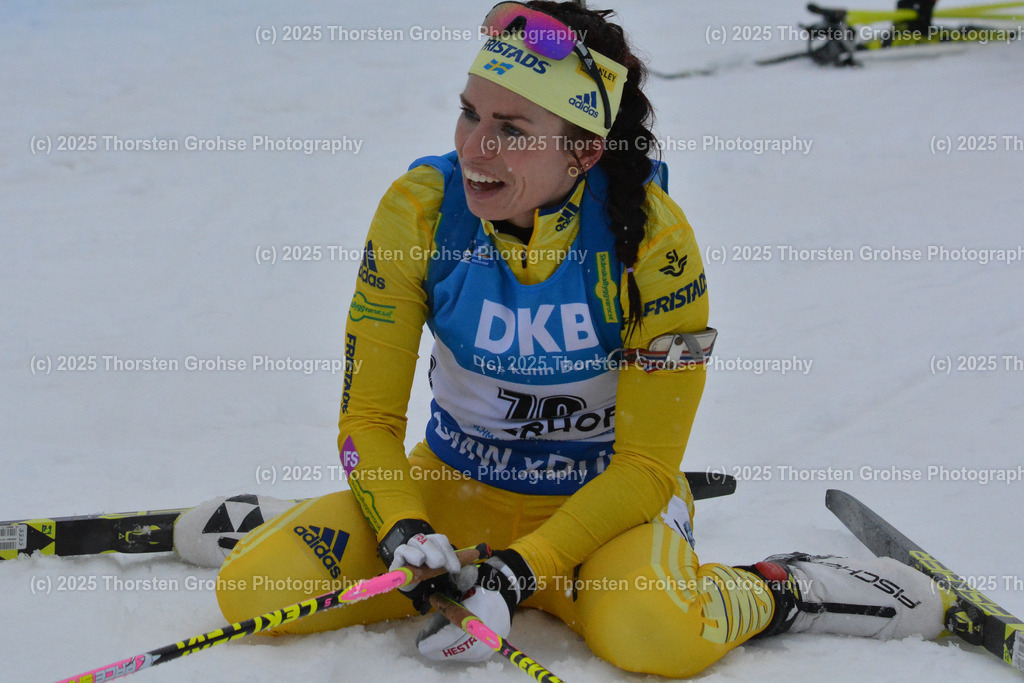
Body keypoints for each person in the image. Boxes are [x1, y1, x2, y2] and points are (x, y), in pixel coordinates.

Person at [176, 2, 949, 677]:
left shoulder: (653, 243)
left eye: (511, 130)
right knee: (252, 590)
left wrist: (522, 570)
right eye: (470, 114)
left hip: (595, 517)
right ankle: (362, 517)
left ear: (581, 151)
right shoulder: (419, 212)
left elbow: (647, 466)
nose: (475, 149)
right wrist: (404, 525)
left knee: (656, 635)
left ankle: (787, 587)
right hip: (456, 494)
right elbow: (369, 421)